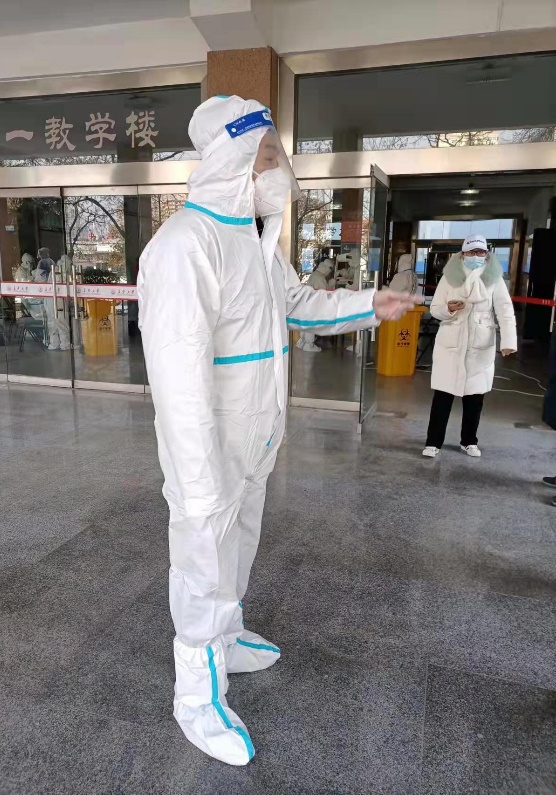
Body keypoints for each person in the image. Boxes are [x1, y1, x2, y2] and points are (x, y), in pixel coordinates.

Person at [137, 95, 417, 766]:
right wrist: (198, 478)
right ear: (231, 159)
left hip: (255, 439)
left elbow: (297, 305)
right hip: (209, 450)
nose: (278, 168)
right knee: (203, 563)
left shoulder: (258, 243)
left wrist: (369, 304)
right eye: (267, 155)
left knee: (239, 546)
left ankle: (227, 636)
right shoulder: (184, 246)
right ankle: (196, 697)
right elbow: (178, 380)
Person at [422, 234, 517, 458]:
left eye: (481, 252)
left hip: (480, 343)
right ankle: (433, 442)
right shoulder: (450, 277)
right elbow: (435, 309)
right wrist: (449, 308)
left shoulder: (494, 278)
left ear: (487, 254)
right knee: (443, 396)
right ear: (463, 254)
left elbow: (505, 310)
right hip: (451, 343)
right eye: (472, 252)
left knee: (475, 397)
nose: (477, 256)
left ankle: (469, 441)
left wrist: (508, 341)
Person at [296, 257, 334, 352]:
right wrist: (331, 284)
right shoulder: (319, 278)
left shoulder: (315, 274)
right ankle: (309, 344)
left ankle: (302, 341)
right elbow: (323, 292)